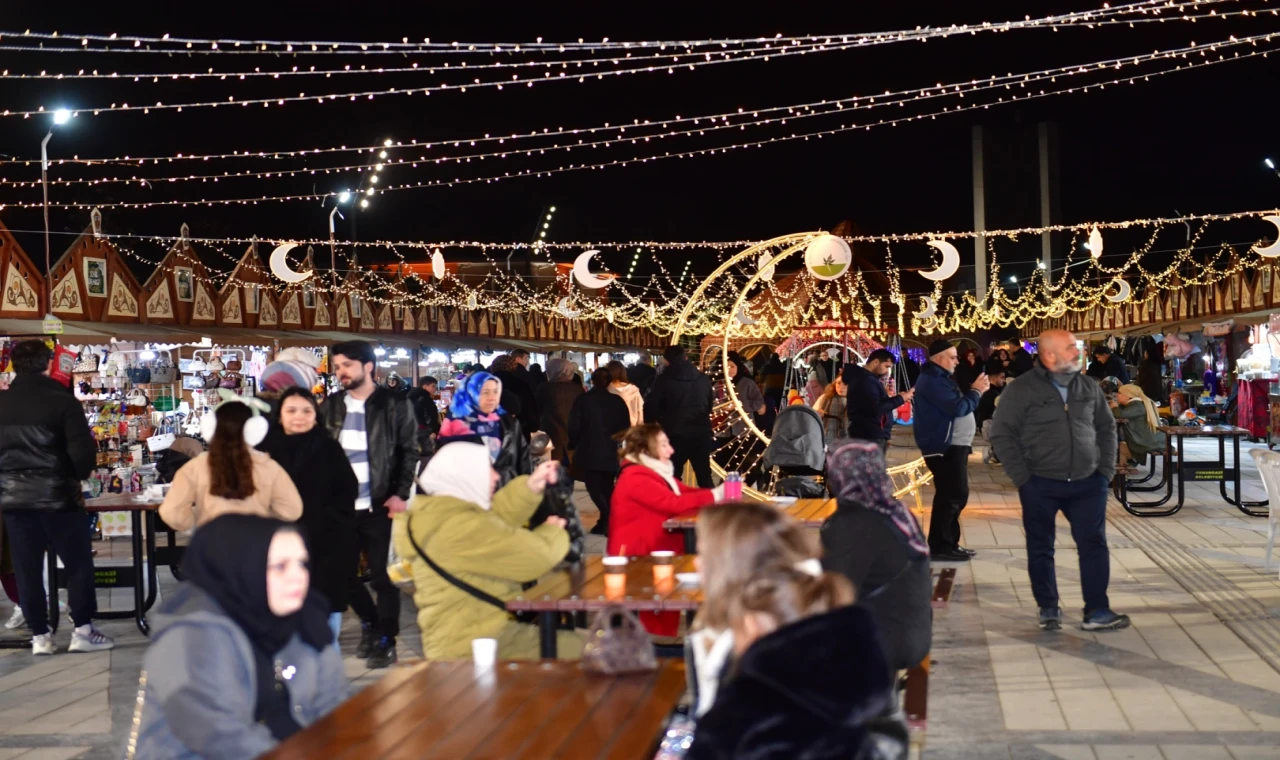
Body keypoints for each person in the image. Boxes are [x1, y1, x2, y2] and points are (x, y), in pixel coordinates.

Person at [686, 502, 901, 759]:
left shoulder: (761, 683)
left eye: (702, 555)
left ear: (729, 570)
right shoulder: (834, 633)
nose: (696, 564)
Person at [130, 515, 346, 759]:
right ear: (245, 567)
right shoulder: (191, 636)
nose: (297, 576)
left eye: (302, 563)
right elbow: (218, 735)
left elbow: (333, 709)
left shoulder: (307, 621)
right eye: (280, 566)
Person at [990, 329, 1128, 632]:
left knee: (1093, 544)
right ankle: (1048, 608)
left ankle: (1097, 610)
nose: (1077, 352)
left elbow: (1106, 428)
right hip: (1040, 482)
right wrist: (1022, 477)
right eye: (1070, 348)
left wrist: (1104, 471)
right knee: (1041, 547)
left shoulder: (1088, 386)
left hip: (1087, 482)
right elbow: (1002, 434)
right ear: (1049, 355)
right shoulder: (1022, 389)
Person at [393, 445, 580, 659]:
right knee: (597, 650)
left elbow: (495, 520)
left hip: (470, 638)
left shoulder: (440, 514)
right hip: (476, 646)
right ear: (466, 476)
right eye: (487, 470)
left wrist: (529, 488)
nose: (495, 476)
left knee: (589, 648)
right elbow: (534, 558)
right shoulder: (458, 526)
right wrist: (553, 532)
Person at [0, 340, 113, 654]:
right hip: (59, 497)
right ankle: (83, 630)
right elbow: (82, 454)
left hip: (14, 501)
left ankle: (40, 636)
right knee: (76, 563)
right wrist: (75, 475)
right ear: (48, 364)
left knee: (26, 568)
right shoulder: (62, 403)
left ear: (12, 365)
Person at [319, 340, 419, 668]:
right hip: (340, 508)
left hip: (379, 503)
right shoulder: (331, 406)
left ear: (368, 366)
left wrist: (400, 493)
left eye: (346, 365)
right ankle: (370, 622)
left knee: (382, 577)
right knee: (343, 577)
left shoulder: (394, 404)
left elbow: (409, 450)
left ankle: (386, 639)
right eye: (336, 367)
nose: (340, 373)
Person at [259, 388, 359, 647]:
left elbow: (347, 493)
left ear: (316, 416)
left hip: (326, 547)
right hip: (277, 548)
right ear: (280, 415)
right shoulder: (264, 452)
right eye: (291, 410)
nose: (299, 417)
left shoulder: (329, 448)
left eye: (307, 410)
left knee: (325, 626)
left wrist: (331, 525)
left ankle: (325, 681)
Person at [822, 440, 932, 672]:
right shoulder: (895, 511)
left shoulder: (853, 522)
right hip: (913, 631)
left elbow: (836, 591)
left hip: (885, 640)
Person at [609, 423, 722, 635]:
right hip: (640, 558)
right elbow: (672, 502)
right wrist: (716, 495)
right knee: (654, 617)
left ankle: (662, 652)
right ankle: (656, 656)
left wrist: (721, 498)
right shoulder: (635, 477)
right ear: (646, 450)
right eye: (663, 445)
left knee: (666, 609)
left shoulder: (653, 473)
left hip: (658, 551)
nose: (671, 450)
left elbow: (684, 492)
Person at [160, 400, 304, 532]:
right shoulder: (268, 466)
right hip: (257, 544)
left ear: (211, 427)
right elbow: (292, 510)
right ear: (254, 430)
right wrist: (264, 521)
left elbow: (171, 512)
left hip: (211, 543)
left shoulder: (194, 467)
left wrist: (196, 525)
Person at [915, 340, 989, 561]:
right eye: (953, 357)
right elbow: (957, 408)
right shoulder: (932, 381)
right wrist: (976, 391)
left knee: (951, 495)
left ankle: (947, 543)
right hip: (944, 447)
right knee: (953, 495)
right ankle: (941, 546)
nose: (957, 361)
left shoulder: (940, 379)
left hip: (953, 445)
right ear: (939, 358)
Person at [568, 368, 632, 535]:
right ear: (609, 381)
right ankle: (607, 520)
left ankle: (608, 517)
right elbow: (625, 425)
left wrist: (575, 443)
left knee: (594, 486)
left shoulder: (584, 400)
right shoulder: (616, 401)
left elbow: (574, 425)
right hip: (610, 448)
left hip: (589, 447)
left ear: (593, 380)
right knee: (606, 485)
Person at [645, 345, 716, 488]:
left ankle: (675, 508)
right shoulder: (702, 379)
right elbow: (709, 406)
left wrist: (653, 427)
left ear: (666, 360)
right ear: (686, 357)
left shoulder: (663, 380)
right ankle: (713, 509)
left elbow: (651, 407)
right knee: (704, 477)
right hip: (700, 433)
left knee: (671, 477)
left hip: (674, 435)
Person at [448, 371, 531, 486]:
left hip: (507, 487)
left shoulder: (511, 424)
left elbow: (524, 459)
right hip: (473, 490)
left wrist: (527, 488)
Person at [842, 348, 914, 456]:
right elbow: (876, 408)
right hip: (869, 435)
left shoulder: (865, 378)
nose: (887, 371)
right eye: (886, 366)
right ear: (875, 362)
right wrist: (901, 399)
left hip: (870, 433)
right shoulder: (865, 380)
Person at [535, 358, 584, 470]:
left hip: (550, 437)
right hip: (573, 439)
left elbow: (537, 410)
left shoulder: (544, 388)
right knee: (569, 473)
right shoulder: (577, 389)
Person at [1112, 383, 1163, 462]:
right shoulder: (1136, 404)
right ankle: (1124, 470)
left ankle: (1123, 471)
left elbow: (1121, 414)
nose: (1117, 395)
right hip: (1150, 441)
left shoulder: (1138, 405)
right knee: (1119, 447)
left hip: (1148, 443)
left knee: (1119, 449)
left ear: (1128, 395)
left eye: (1120, 393)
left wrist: (1114, 406)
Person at [725, 354, 767, 437]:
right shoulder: (720, 384)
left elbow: (758, 402)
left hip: (744, 429)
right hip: (724, 431)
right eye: (726, 367)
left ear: (738, 366)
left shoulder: (748, 383)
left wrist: (740, 405)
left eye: (732, 366)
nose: (729, 370)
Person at [975, 368, 1007, 464]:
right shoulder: (991, 394)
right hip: (989, 424)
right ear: (993, 379)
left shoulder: (993, 392)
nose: (1004, 380)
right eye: (1002, 377)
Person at [406, 375, 442, 458]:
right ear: (425, 386)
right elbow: (429, 416)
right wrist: (432, 431)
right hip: (424, 431)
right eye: (433, 386)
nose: (435, 389)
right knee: (427, 454)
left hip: (412, 430)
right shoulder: (425, 398)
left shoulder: (410, 396)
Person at [605, 360, 644, 426]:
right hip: (632, 428)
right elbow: (640, 411)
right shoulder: (633, 390)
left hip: (611, 428)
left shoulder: (606, 390)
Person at [812, 378, 849, 443]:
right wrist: (817, 414)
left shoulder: (861, 401)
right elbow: (810, 417)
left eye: (845, 384)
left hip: (853, 443)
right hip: (827, 442)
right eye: (839, 383)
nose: (841, 387)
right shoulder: (825, 398)